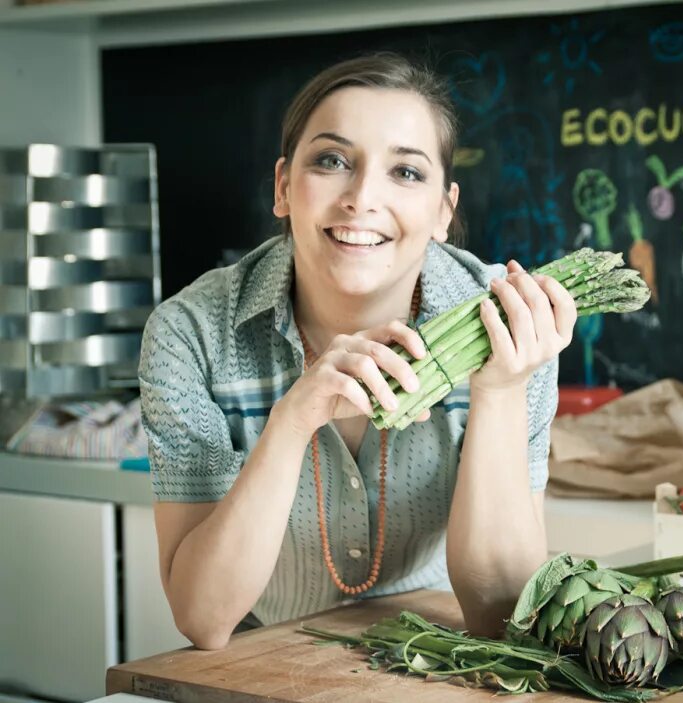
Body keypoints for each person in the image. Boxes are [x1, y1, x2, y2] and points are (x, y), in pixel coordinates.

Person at [138, 52, 577, 650]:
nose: (362, 198)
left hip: (436, 664)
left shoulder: (509, 328)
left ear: (443, 210)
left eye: (406, 172)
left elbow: (503, 613)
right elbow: (202, 618)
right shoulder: (191, 333)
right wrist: (292, 422)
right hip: (258, 671)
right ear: (283, 187)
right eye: (332, 161)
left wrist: (497, 392)